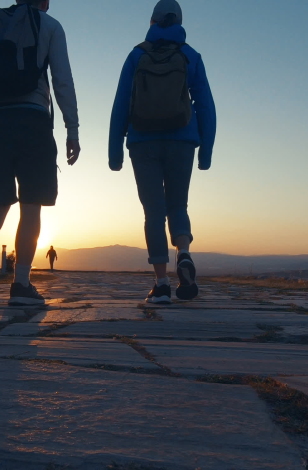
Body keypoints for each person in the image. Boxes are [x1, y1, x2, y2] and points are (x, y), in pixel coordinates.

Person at [0, 0, 81, 306]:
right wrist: (72, 129)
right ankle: (21, 284)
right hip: (32, 120)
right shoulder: (50, 26)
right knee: (31, 205)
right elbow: (62, 80)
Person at [108, 0, 216, 304]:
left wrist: (114, 150)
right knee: (177, 206)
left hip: (143, 142)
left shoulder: (136, 55)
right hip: (183, 141)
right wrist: (205, 150)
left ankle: (161, 284)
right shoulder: (190, 56)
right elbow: (206, 106)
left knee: (153, 213)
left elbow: (120, 104)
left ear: (153, 22)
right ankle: (183, 253)